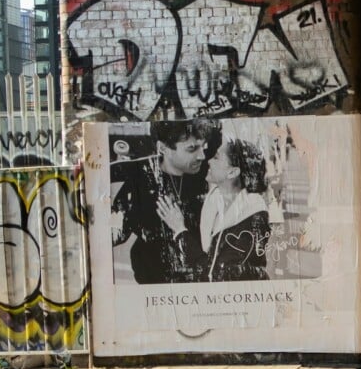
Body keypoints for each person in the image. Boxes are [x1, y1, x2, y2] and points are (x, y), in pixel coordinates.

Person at [110, 119, 220, 284]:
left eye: (202, 147)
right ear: (163, 149)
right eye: (192, 149)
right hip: (153, 284)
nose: (201, 156)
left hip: (200, 280)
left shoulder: (209, 173)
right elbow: (117, 232)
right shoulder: (141, 177)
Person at [160, 138, 272, 282]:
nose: (209, 161)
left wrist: (180, 231)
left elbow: (218, 275)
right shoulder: (213, 200)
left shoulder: (254, 219)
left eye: (217, 157)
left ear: (232, 172)